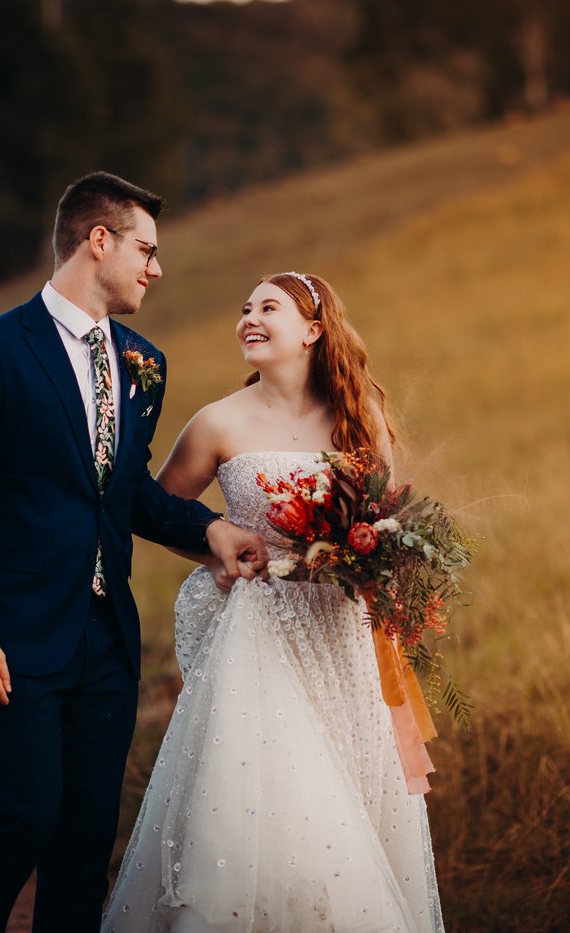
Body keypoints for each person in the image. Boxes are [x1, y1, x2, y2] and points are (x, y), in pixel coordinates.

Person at [0, 171, 268, 932]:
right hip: (11, 636)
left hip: (106, 641)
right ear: (98, 239)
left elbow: (124, 490)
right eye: (145, 249)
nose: (156, 267)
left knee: (84, 842)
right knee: (23, 818)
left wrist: (207, 529)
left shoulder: (144, 361)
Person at [102, 272, 444, 932]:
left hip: (341, 637)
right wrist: (216, 546)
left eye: (268, 307)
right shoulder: (218, 421)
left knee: (348, 797)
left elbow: (386, 516)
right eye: (244, 309)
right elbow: (159, 511)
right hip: (257, 641)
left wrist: (376, 560)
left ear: (313, 330)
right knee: (284, 803)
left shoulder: (358, 416)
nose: (248, 318)